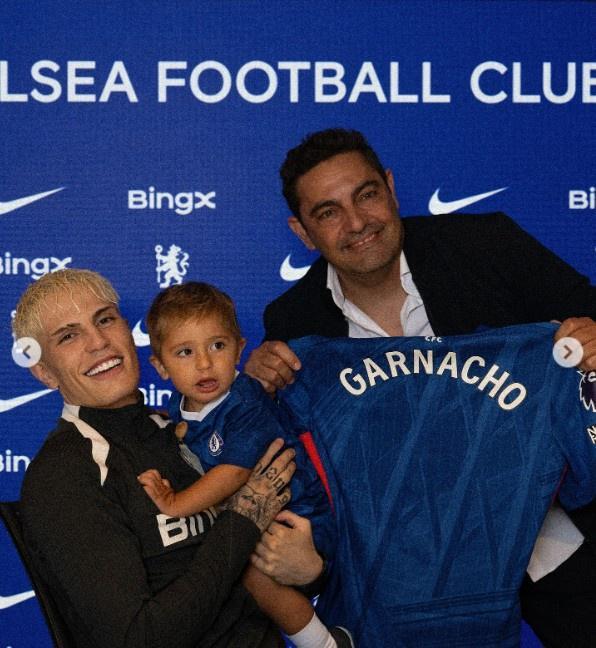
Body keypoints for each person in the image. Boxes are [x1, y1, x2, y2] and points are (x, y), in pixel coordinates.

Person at [244, 128, 596, 646]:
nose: (357, 222)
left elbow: (588, 317)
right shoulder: (295, 324)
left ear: (390, 188)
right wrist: (258, 391)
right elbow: (306, 482)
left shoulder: (487, 246)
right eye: (329, 212)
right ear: (303, 232)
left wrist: (591, 336)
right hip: (408, 571)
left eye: (366, 195)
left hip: (540, 534)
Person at [14, 268, 298, 648]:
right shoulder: (63, 474)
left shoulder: (182, 428)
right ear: (44, 372)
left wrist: (308, 568)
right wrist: (243, 518)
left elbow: (272, 573)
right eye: (69, 336)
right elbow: (139, 639)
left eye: (105, 320)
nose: (98, 342)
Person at [138, 281, 347, 648]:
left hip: (301, 521)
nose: (204, 363)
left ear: (239, 348)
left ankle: (325, 644)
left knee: (251, 575)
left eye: (217, 346)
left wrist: (177, 503)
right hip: (253, 521)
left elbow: (233, 473)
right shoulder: (180, 404)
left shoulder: (245, 404)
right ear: (161, 366)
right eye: (185, 352)